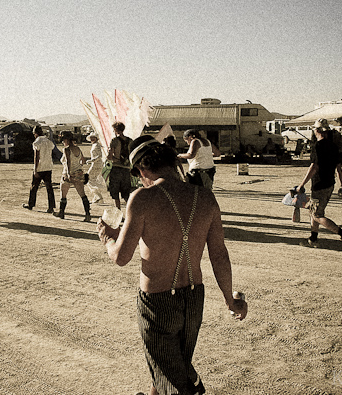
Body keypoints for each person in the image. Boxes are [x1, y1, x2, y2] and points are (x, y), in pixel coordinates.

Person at [97, 135, 248, 395]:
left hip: (157, 302)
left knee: (174, 378)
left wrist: (108, 238)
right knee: (172, 365)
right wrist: (229, 299)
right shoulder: (205, 198)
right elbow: (219, 255)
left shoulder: (142, 198)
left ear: (142, 169)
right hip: (193, 300)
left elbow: (121, 257)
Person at [294, 118, 342, 252]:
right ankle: (313, 239)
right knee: (314, 211)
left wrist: (301, 184)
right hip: (330, 185)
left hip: (319, 185)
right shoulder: (333, 146)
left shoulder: (317, 146)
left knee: (317, 215)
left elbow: (314, 167)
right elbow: (339, 168)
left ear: (317, 130)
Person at [53, 130, 91, 221]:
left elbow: (68, 162)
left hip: (68, 173)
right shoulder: (78, 148)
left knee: (63, 194)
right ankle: (88, 214)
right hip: (78, 172)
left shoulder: (66, 149)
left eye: (63, 140)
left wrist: (69, 174)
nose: (62, 142)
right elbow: (83, 160)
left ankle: (61, 212)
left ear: (66, 140)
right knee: (82, 194)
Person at [23, 125, 56, 213]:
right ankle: (51, 207)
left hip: (40, 167)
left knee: (34, 186)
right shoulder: (49, 142)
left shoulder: (36, 142)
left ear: (35, 134)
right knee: (49, 187)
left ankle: (31, 204)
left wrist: (35, 169)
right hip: (48, 167)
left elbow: (36, 156)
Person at [106, 122, 133, 210]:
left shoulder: (114, 141)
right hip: (126, 169)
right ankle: (131, 211)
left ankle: (118, 213)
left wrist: (109, 155)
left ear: (115, 130)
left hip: (116, 168)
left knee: (115, 193)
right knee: (126, 194)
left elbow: (110, 157)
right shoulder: (130, 141)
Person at [84, 132, 107, 204]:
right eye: (91, 138)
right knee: (91, 179)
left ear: (96, 138)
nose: (91, 139)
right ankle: (97, 197)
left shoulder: (96, 145)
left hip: (96, 164)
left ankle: (99, 196)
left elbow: (99, 155)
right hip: (96, 164)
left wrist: (92, 160)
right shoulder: (95, 145)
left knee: (89, 179)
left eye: (93, 137)